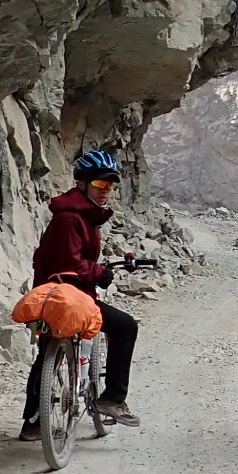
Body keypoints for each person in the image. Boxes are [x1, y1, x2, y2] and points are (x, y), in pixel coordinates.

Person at [20, 148, 140, 438]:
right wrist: (100, 272)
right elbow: (70, 264)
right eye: (100, 184)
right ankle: (112, 399)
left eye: (110, 185)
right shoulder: (71, 219)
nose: (106, 190)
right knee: (125, 327)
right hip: (69, 296)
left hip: (51, 295)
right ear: (82, 183)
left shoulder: (78, 215)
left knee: (48, 352)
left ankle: (34, 424)